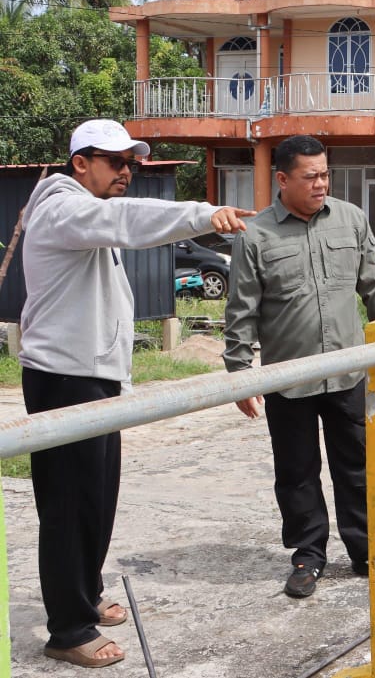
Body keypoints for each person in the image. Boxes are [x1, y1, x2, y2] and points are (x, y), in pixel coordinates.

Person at [20, 118, 251, 668]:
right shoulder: (62, 207)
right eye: (116, 162)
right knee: (67, 506)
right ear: (81, 162)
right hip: (63, 377)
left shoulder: (85, 211)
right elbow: (125, 220)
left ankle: (87, 593)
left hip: (95, 375)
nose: (127, 172)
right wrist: (200, 214)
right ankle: (68, 628)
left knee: (97, 498)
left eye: (132, 163)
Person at [223, 135, 375, 599]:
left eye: (325, 174)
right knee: (297, 471)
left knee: (357, 465)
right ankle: (308, 555)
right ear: (282, 179)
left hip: (348, 371)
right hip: (288, 376)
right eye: (310, 176)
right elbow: (242, 309)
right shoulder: (256, 234)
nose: (321, 184)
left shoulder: (351, 220)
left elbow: (374, 287)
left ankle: (365, 551)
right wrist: (239, 372)